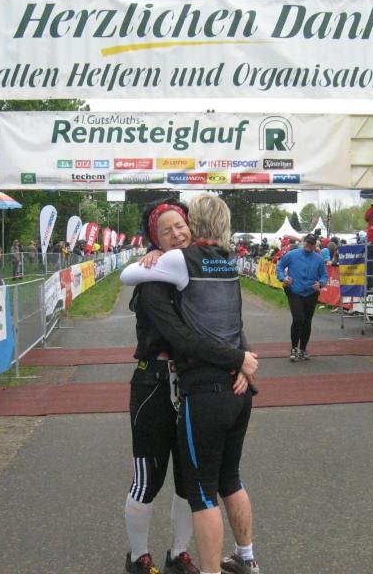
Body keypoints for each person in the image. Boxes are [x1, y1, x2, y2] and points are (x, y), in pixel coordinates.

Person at [121, 193, 260, 574]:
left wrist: (243, 361)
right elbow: (182, 338)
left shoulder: (195, 265)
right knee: (149, 478)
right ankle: (138, 557)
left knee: (190, 479)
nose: (176, 234)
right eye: (165, 231)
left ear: (192, 226)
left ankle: (179, 553)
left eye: (181, 225)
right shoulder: (154, 280)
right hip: (153, 384)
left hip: (192, 385)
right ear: (155, 239)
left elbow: (230, 321)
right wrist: (237, 360)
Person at [276, 233, 328, 362]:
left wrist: (321, 283)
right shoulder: (292, 254)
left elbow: (324, 276)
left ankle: (303, 349)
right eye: (307, 242)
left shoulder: (319, 259)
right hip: (295, 291)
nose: (308, 245)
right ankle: (294, 348)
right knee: (298, 319)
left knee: (307, 321)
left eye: (311, 243)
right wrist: (283, 278)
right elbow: (280, 266)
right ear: (303, 242)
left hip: (311, 293)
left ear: (314, 245)